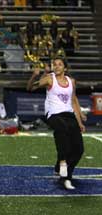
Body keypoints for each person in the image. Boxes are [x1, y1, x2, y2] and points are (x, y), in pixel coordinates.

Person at [27, 57, 85, 190]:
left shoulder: (71, 81)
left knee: (79, 149)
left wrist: (79, 120)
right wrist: (33, 76)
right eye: (55, 64)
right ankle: (63, 165)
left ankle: (63, 171)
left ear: (65, 68)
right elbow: (30, 88)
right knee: (61, 129)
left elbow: (73, 100)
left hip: (69, 115)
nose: (57, 66)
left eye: (60, 64)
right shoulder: (49, 78)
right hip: (53, 114)